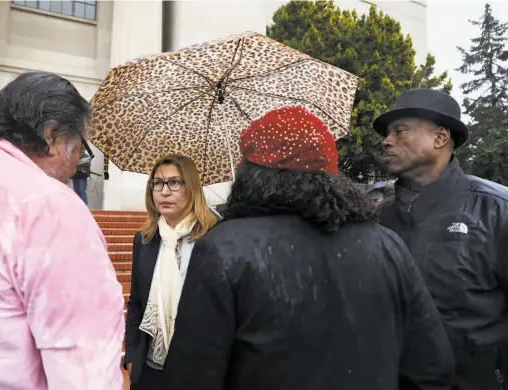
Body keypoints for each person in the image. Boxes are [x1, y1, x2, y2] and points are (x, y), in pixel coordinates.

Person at [160, 107, 455, 390]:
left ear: (252, 175)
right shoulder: (388, 244)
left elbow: (191, 377)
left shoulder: (222, 249)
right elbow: (431, 368)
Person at [0, 72, 125, 390]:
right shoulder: (50, 207)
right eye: (80, 146)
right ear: (51, 135)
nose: (76, 164)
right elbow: (83, 368)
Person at [374, 88, 508, 390]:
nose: (385, 140)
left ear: (440, 137)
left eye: (399, 131)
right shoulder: (379, 221)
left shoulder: (496, 210)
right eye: (386, 134)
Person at [123, 154, 218, 389]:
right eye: (158, 183)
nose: (164, 191)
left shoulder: (214, 239)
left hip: (198, 370)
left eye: (175, 182)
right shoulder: (144, 240)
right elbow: (136, 302)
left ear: (192, 187)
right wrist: (133, 357)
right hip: (150, 368)